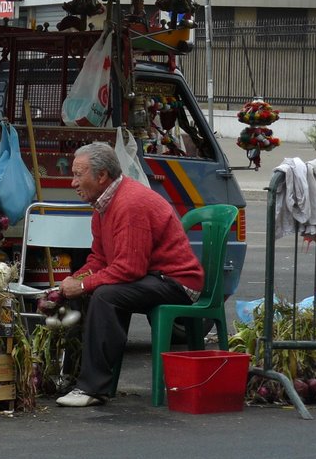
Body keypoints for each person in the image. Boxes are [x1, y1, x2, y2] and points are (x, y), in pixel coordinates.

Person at [54, 142, 204, 407]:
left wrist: (85, 284)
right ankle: (72, 376)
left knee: (105, 295)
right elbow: (99, 259)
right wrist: (74, 280)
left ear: (101, 176)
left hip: (176, 281)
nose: (73, 182)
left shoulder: (129, 204)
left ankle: (93, 388)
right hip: (150, 275)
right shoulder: (103, 206)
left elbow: (129, 269)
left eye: (79, 174)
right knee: (86, 291)